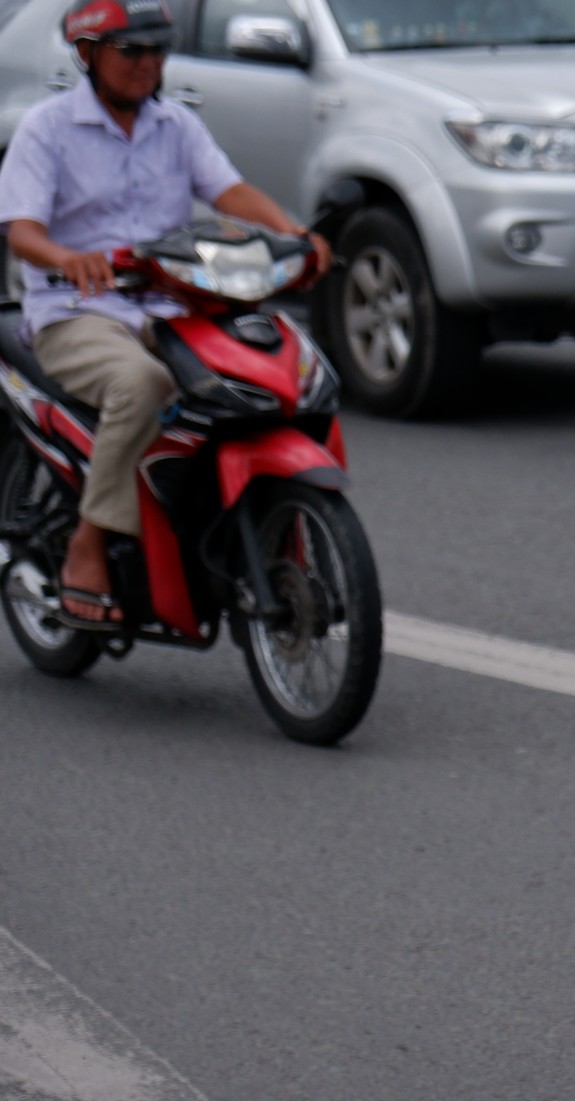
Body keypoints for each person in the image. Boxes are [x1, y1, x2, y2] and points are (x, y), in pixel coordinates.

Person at [0, 0, 328, 630]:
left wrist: (294, 233)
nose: (148, 65)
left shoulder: (175, 125)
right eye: (132, 52)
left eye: (157, 51)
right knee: (142, 386)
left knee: (266, 375)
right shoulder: (47, 128)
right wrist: (69, 259)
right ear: (89, 54)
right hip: (77, 311)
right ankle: (89, 543)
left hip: (171, 305)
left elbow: (228, 191)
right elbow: (22, 231)